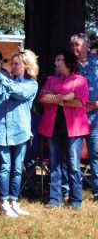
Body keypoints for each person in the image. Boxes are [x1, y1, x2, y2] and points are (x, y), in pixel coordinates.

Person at [0, 50, 38, 218]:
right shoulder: (6, 81)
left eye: (16, 64)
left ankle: (14, 202)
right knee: (5, 167)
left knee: (17, 168)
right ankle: (4, 203)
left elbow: (17, 91)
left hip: (20, 131)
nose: (12, 67)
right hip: (2, 130)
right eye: (12, 63)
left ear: (27, 66)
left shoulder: (31, 84)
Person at [37, 51, 90, 208]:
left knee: (73, 165)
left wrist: (54, 97)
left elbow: (80, 103)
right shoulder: (51, 79)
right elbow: (41, 98)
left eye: (59, 60)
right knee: (55, 163)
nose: (56, 63)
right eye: (55, 60)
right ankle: (55, 199)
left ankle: (75, 200)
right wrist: (63, 97)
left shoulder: (80, 80)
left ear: (68, 62)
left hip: (74, 129)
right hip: (53, 127)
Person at [69, 33, 98, 200]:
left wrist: (96, 104)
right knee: (72, 155)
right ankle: (73, 194)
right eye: (72, 45)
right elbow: (60, 87)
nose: (74, 48)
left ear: (87, 46)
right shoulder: (68, 64)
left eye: (77, 45)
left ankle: (97, 192)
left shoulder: (97, 63)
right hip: (74, 117)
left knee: (96, 154)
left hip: (95, 117)